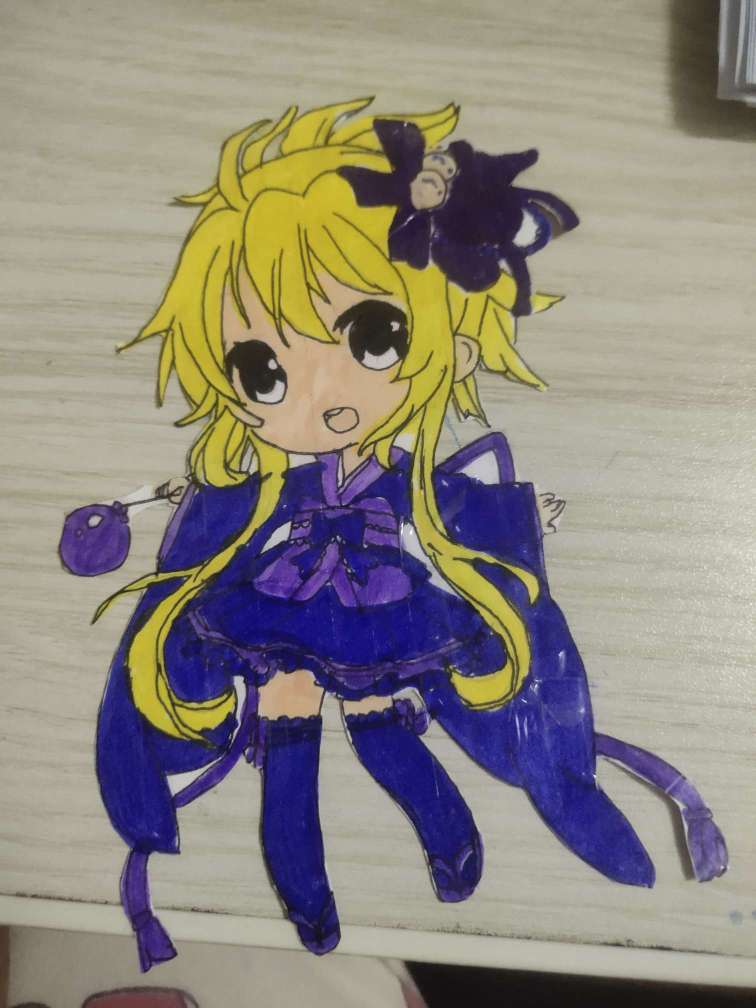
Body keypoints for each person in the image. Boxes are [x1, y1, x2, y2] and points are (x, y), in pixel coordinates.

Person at [88, 99, 726, 971]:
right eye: (262, 371)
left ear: (449, 342)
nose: (320, 396)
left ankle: (449, 835)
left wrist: (509, 528)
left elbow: (451, 525)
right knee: (289, 734)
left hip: (385, 601)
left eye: (374, 337)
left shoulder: (417, 477)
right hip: (280, 604)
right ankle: (304, 893)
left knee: (380, 718)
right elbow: (221, 529)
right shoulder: (268, 482)